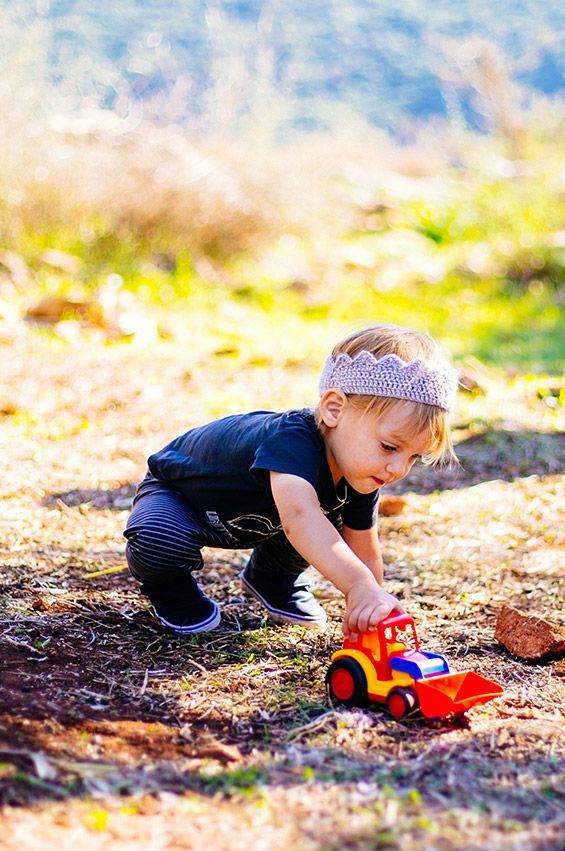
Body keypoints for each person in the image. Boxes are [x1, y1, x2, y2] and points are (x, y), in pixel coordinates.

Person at [124, 323, 458, 637]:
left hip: (261, 520)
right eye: (389, 446)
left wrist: (373, 602)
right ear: (334, 409)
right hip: (180, 498)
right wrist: (358, 586)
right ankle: (170, 589)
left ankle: (273, 580)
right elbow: (299, 519)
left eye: (414, 457)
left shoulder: (361, 473)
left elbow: (363, 549)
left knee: (326, 521)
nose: (398, 469)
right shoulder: (291, 441)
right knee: (158, 539)